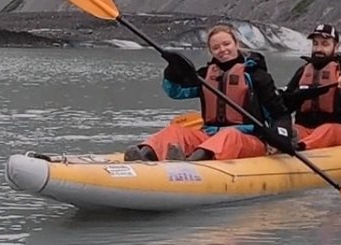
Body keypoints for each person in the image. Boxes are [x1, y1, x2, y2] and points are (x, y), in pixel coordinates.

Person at [124, 23, 293, 162]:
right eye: (216, 47)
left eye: (226, 44)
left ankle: (191, 164)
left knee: (229, 135)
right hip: (209, 136)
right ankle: (144, 157)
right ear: (211, 51)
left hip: (248, 140)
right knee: (175, 131)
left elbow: (280, 114)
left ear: (236, 44)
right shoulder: (205, 76)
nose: (222, 50)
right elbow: (175, 92)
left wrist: (281, 135)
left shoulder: (257, 76)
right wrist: (173, 72)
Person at [279, 23, 341, 150]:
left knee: (328, 130)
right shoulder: (303, 70)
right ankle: (286, 145)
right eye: (315, 44)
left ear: (336, 46)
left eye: (325, 44)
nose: (318, 49)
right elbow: (286, 104)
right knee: (289, 129)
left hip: (339, 129)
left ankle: (300, 147)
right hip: (306, 129)